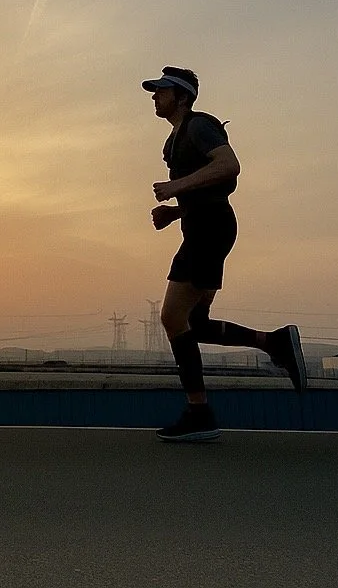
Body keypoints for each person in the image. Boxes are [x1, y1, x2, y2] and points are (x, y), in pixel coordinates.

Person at [142, 65, 306, 443]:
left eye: (162, 91)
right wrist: (176, 210)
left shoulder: (200, 126)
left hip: (210, 230)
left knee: (170, 318)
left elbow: (229, 166)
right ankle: (274, 342)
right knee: (194, 324)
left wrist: (175, 186)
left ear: (181, 97)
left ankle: (199, 413)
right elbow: (209, 185)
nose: (155, 96)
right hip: (205, 225)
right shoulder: (175, 139)